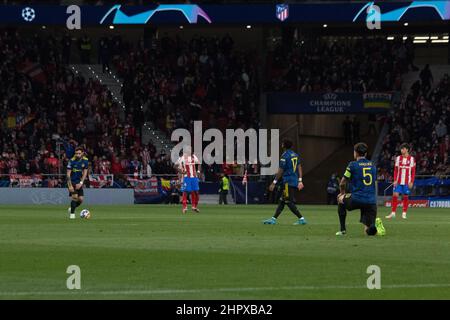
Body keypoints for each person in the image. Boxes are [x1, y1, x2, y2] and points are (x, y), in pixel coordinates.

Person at [336, 142, 386, 236]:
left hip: (356, 199)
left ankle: (343, 230)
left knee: (340, 200)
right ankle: (374, 225)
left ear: (355, 153)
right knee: (368, 232)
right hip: (371, 202)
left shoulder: (352, 165)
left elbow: (342, 182)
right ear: (366, 154)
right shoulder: (373, 165)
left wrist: (342, 193)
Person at [263, 139, 307, 225]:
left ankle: (301, 219)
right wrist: (300, 180)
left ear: (283, 145)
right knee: (282, 200)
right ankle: (273, 219)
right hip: (294, 180)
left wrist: (274, 182)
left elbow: (281, 170)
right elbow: (299, 167)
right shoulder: (295, 155)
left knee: (288, 201)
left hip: (287, 181)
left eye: (282, 143)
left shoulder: (285, 156)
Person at [386, 143, 416, 219]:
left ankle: (404, 213)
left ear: (407, 149)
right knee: (395, 195)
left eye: (403, 149)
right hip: (398, 181)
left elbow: (413, 172)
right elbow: (395, 170)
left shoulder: (412, 159)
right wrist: (395, 180)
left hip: (407, 181)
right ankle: (393, 213)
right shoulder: (398, 158)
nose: (401, 150)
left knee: (405, 196)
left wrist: (412, 181)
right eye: (401, 149)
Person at [67, 147, 89, 219]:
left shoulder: (85, 161)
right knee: (75, 197)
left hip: (79, 182)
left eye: (79, 153)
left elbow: (85, 173)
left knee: (81, 199)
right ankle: (72, 215)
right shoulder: (71, 161)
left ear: (82, 153)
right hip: (72, 181)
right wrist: (70, 185)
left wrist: (81, 183)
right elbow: (68, 174)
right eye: (76, 153)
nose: (78, 155)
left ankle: (72, 208)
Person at [177, 146, 201, 213]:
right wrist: (182, 172)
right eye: (188, 149)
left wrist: (198, 171)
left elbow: (199, 163)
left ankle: (194, 206)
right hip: (187, 177)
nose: (189, 150)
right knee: (186, 191)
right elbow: (176, 166)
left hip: (194, 177)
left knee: (196, 192)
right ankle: (184, 207)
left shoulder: (194, 157)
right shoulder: (182, 158)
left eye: (190, 149)